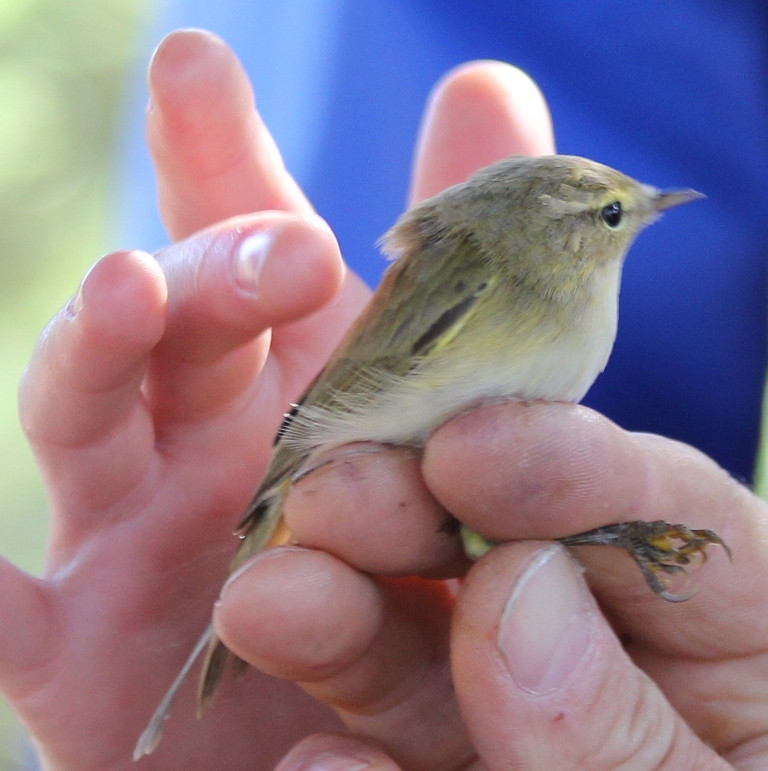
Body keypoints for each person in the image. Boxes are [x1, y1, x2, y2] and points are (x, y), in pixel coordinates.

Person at [0, 26, 766, 770]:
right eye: (610, 214)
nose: (639, 216)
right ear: (567, 238)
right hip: (351, 482)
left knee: (508, 502)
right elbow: (362, 380)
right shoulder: (485, 275)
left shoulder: (574, 302)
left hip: (473, 604)